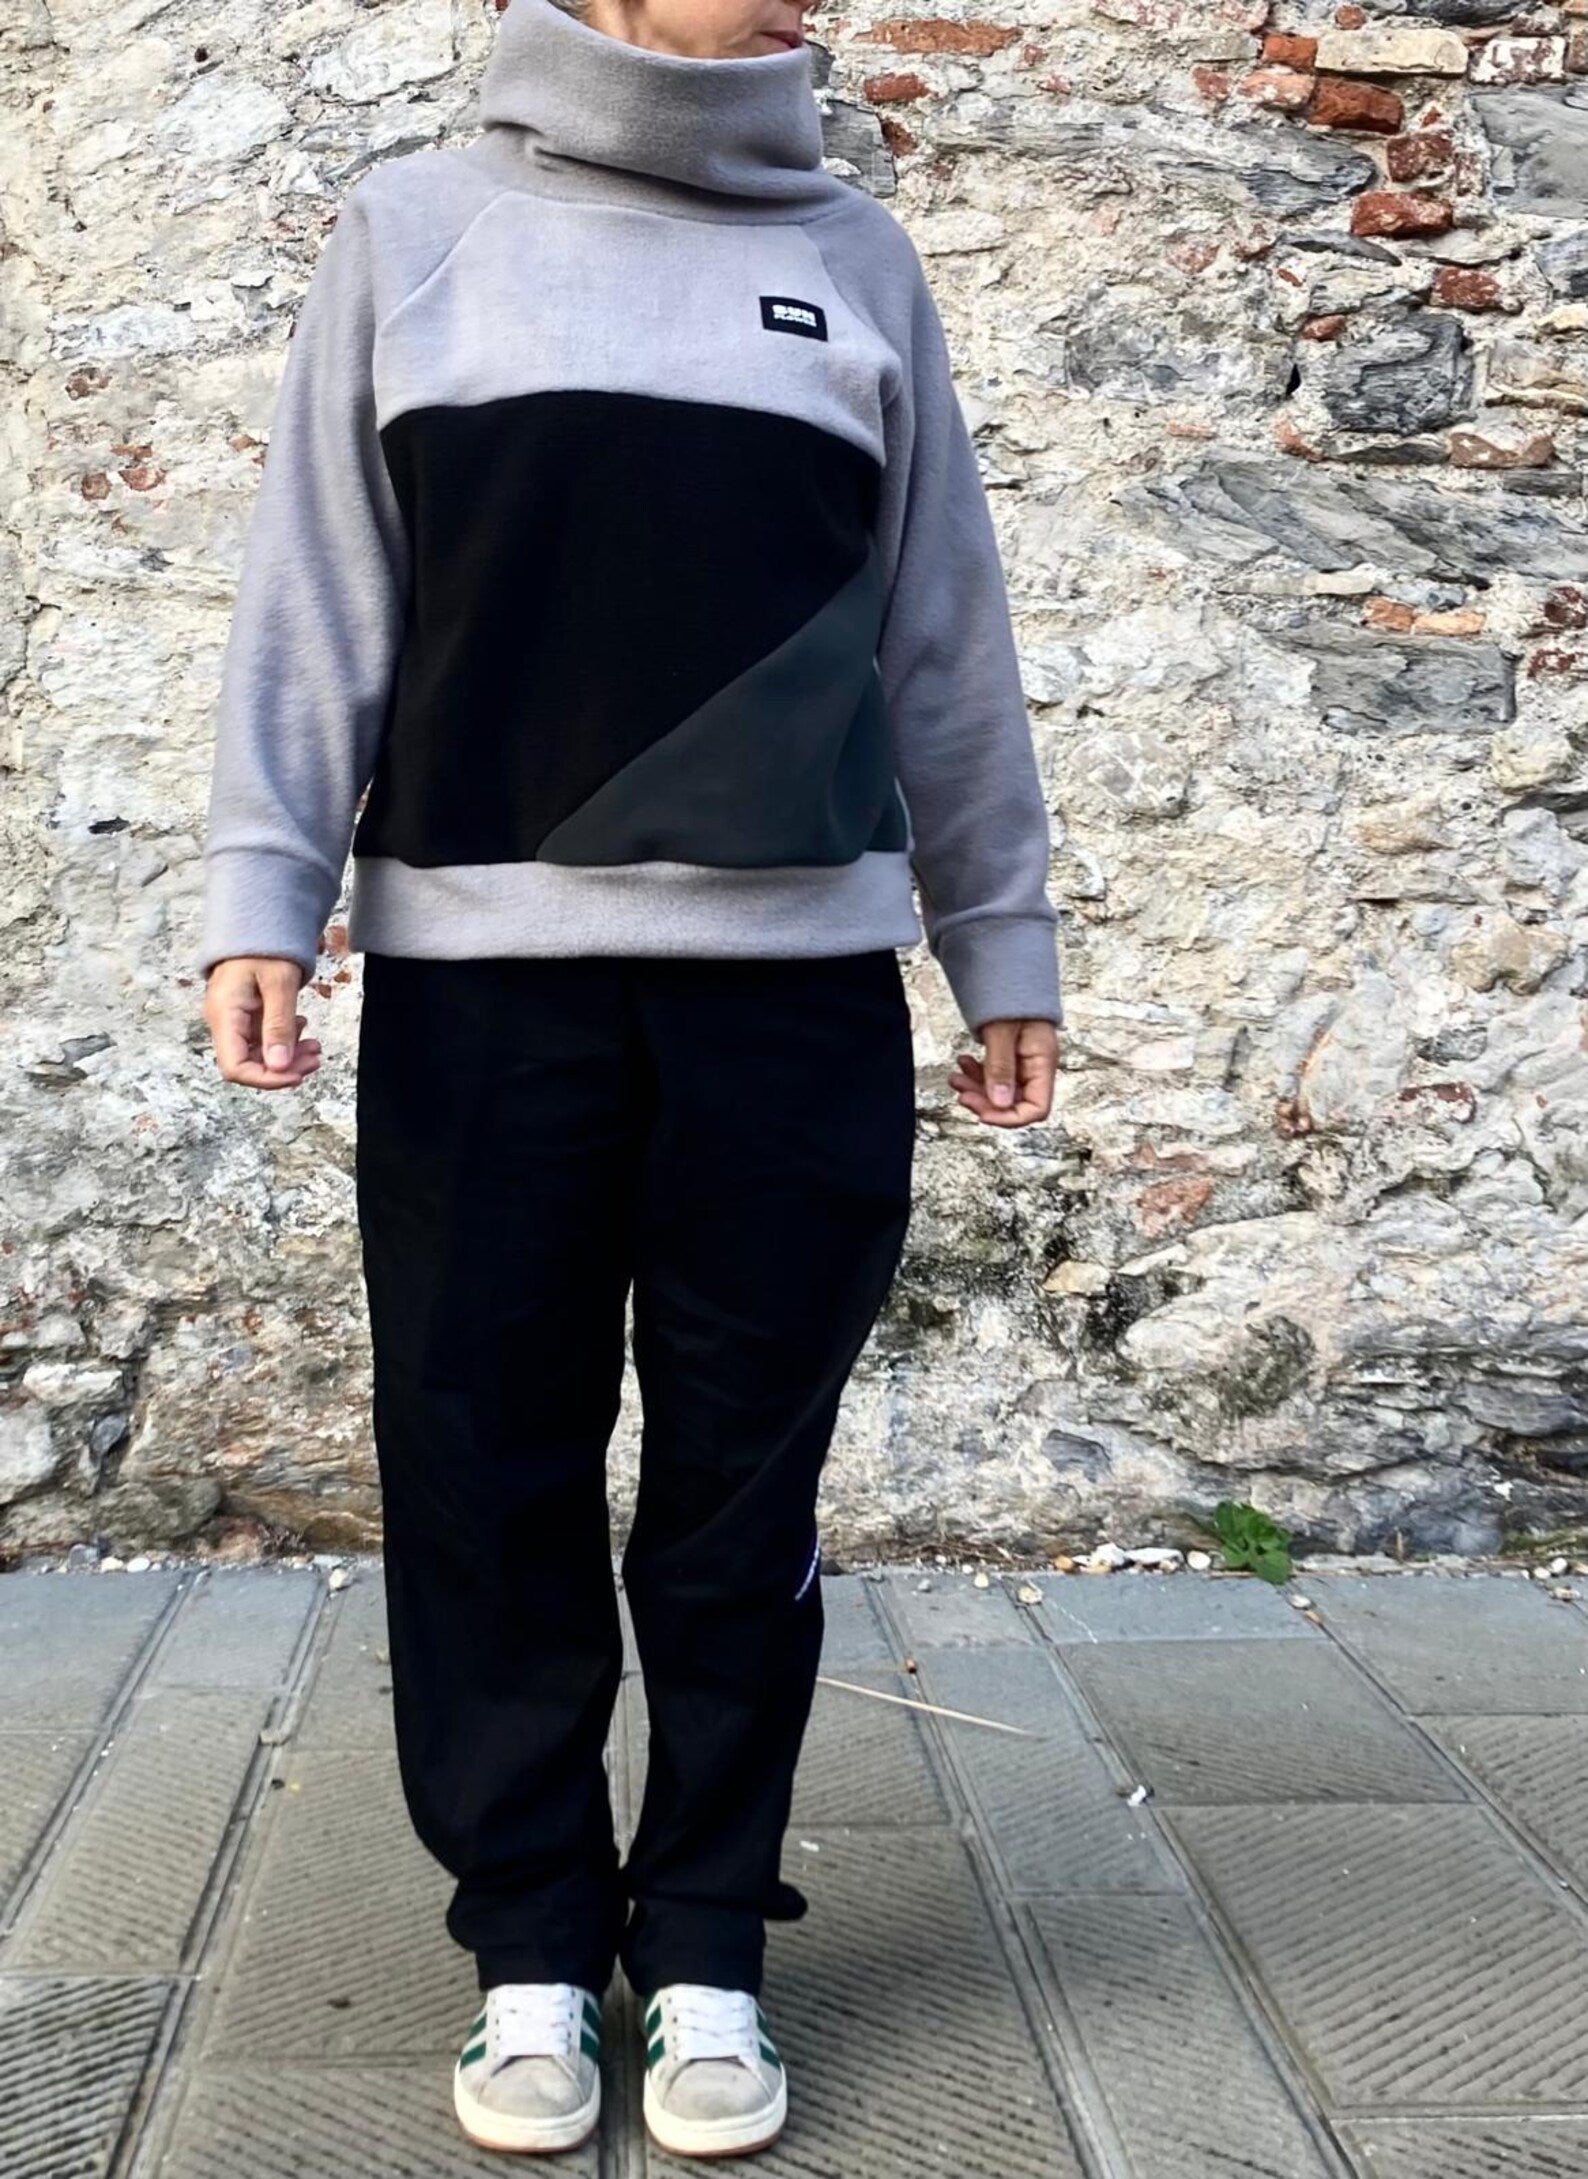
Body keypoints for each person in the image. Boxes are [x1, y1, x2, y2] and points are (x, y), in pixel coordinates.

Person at [197, 0, 1064, 2155]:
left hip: (795, 1002)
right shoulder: (416, 231)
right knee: (483, 1471)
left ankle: (702, 1946)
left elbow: (939, 623)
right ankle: (525, 1941)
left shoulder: (855, 259)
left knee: (739, 1497)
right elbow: (320, 583)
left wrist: (998, 936)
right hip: (487, 1000)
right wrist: (260, 890)